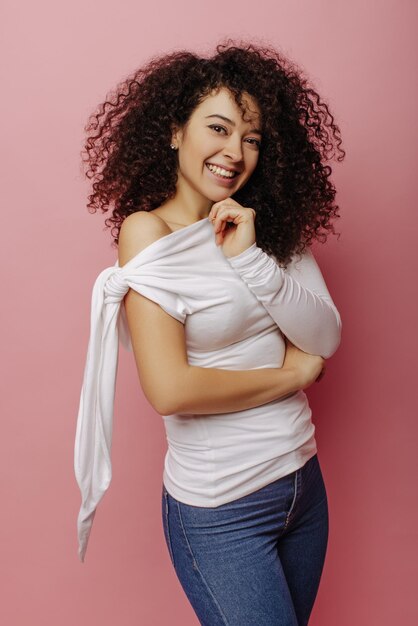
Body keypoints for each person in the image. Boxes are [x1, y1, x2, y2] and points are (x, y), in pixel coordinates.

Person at [75, 39, 345, 625]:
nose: (234, 152)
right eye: (218, 129)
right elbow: (170, 389)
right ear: (175, 132)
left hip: (302, 486)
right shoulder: (148, 234)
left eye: (251, 138)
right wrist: (291, 375)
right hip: (223, 509)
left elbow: (323, 337)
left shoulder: (264, 225)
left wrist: (250, 259)